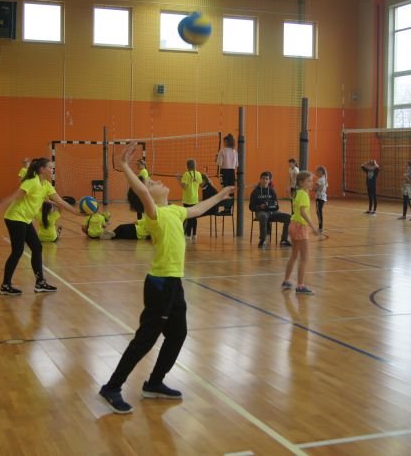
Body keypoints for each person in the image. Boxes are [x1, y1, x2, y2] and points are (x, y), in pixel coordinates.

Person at [98, 142, 234, 414]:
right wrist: (124, 166)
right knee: (146, 339)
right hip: (160, 285)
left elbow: (197, 209)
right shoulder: (154, 214)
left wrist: (220, 195)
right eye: (152, 184)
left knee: (178, 334)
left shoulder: (174, 210)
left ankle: (154, 383)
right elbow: (141, 190)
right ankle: (112, 387)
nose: (156, 182)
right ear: (148, 196)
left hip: (175, 283)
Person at [0, 157, 81, 296]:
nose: (52, 169)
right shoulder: (31, 182)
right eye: (50, 167)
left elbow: (60, 201)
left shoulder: (46, 185)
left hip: (26, 219)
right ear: (42, 169)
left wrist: (77, 213)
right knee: (17, 251)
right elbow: (16, 196)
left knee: (37, 247)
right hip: (15, 217)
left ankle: (40, 283)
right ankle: (5, 285)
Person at [282, 171, 320, 295]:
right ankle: (300, 286)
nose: (311, 183)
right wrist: (313, 227)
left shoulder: (298, 193)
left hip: (293, 224)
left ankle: (286, 281)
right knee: (304, 257)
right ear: (301, 182)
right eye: (308, 181)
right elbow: (303, 212)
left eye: (311, 181)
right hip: (300, 226)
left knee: (294, 255)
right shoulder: (303, 194)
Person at [249, 171, 291, 248]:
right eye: (263, 179)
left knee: (289, 217)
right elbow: (251, 207)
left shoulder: (272, 191)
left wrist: (272, 206)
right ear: (260, 179)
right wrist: (260, 207)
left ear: (269, 180)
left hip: (273, 212)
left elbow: (276, 206)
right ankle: (262, 240)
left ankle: (284, 240)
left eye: (267, 179)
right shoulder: (255, 192)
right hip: (261, 213)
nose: (265, 180)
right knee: (263, 216)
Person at [178, 159, 203, 240]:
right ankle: (194, 234)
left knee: (188, 217)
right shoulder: (198, 174)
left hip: (187, 199)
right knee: (194, 217)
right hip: (195, 199)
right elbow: (201, 185)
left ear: (187, 166)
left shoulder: (186, 174)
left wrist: (178, 179)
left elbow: (184, 187)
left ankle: (188, 234)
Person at [314, 165, 328, 232]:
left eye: (317, 171)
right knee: (319, 212)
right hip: (323, 197)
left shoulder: (319, 180)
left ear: (321, 172)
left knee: (319, 212)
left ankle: (320, 227)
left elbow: (315, 189)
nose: (316, 173)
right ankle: (320, 227)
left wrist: (307, 187)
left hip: (319, 197)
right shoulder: (324, 179)